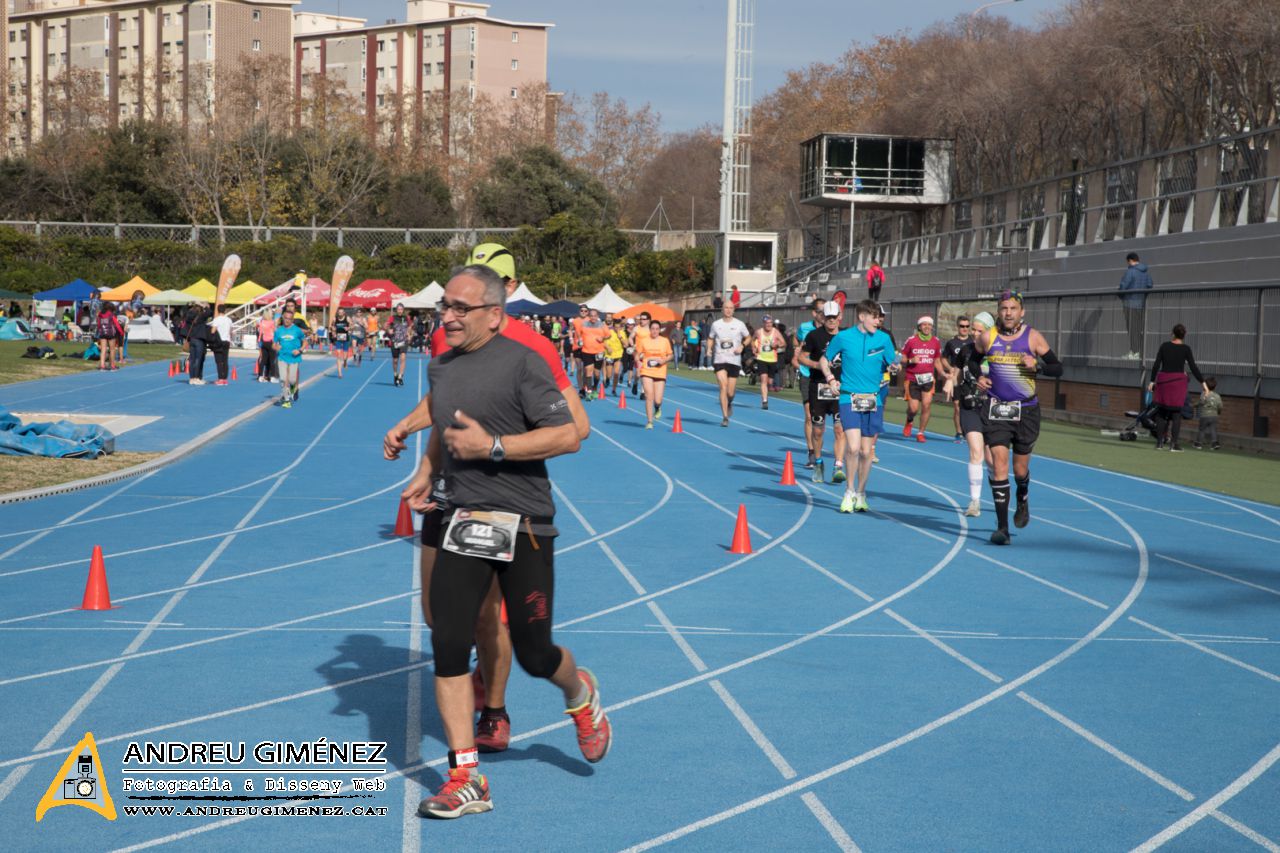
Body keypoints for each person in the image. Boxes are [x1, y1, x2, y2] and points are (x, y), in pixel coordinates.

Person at [405, 266, 609, 820]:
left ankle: (579, 692)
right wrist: (429, 469)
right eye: (444, 306)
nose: (447, 316)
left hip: (524, 525)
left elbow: (569, 434)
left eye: (460, 308)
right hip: (464, 519)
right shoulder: (440, 368)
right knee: (448, 640)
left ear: (494, 316)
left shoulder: (523, 363)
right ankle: (466, 775)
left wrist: (493, 446)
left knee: (535, 653)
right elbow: (450, 437)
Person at [971, 290, 1064, 545]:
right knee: (999, 463)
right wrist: (978, 377)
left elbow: (1058, 368)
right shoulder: (987, 338)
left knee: (1019, 468)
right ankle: (1002, 528)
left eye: (1013, 308)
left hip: (1026, 411)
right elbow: (971, 360)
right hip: (997, 408)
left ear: (1021, 312)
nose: (1008, 313)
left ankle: (1023, 496)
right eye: (1003, 309)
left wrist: (1038, 366)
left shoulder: (1032, 337)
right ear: (998, 312)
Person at [818, 299, 900, 512]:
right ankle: (849, 491)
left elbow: (894, 362)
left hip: (873, 399)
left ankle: (862, 493)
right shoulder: (843, 337)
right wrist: (830, 378)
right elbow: (824, 360)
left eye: (880, 317)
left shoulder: (883, 339)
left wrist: (895, 366)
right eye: (874, 317)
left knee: (866, 452)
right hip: (849, 397)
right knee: (853, 448)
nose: (878, 321)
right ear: (862, 317)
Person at [942, 311, 995, 517]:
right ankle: (975, 502)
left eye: (979, 330)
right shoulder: (965, 350)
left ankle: (995, 482)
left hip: (992, 408)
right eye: (972, 329)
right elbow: (955, 371)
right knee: (975, 451)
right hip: (969, 405)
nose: (974, 333)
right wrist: (949, 380)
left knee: (991, 460)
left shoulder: (997, 354)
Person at [800, 301, 848, 484]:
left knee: (839, 428)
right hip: (818, 387)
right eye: (828, 318)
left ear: (840, 316)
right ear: (822, 317)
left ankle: (838, 465)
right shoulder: (814, 336)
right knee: (818, 431)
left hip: (840, 388)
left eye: (834, 317)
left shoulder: (846, 335)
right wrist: (817, 364)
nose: (831, 321)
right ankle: (819, 463)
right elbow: (800, 356)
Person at [1147, 323, 1204, 452]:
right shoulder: (1186, 349)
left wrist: (1151, 381)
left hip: (1164, 382)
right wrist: (1203, 383)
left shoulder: (1164, 346)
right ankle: (1174, 444)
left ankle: (1159, 443)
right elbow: (1193, 367)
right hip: (1178, 383)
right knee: (1176, 413)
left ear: (1172, 333)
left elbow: (1156, 364)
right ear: (1184, 335)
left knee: (1161, 412)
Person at [900, 316, 944, 443]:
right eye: (924, 325)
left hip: (928, 378)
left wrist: (942, 373)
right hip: (912, 378)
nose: (927, 327)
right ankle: (909, 420)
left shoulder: (936, 341)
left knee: (926, 405)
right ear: (919, 327)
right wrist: (910, 360)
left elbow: (937, 360)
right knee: (913, 409)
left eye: (929, 325)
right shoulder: (911, 340)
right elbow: (901, 357)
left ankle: (920, 432)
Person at [795, 298, 825, 469]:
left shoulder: (833, 330)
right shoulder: (805, 328)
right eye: (820, 311)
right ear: (814, 313)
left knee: (821, 420)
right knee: (809, 415)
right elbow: (797, 341)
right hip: (808, 374)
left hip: (826, 377)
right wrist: (798, 352)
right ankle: (811, 452)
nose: (823, 315)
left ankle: (824, 452)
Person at [709, 303, 750, 427]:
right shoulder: (716, 324)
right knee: (723, 386)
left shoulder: (739, 324)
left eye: (731, 308)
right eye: (726, 308)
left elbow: (748, 338)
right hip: (720, 359)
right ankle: (725, 417)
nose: (728, 310)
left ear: (734, 310)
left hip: (734, 360)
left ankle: (729, 402)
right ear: (722, 309)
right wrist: (708, 349)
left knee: (730, 393)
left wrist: (742, 346)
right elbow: (711, 338)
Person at [637, 319, 674, 428]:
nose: (655, 331)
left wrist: (664, 361)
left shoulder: (665, 341)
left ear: (659, 330)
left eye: (657, 329)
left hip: (660, 372)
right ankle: (649, 421)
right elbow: (637, 354)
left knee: (658, 400)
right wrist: (638, 361)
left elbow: (671, 355)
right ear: (650, 330)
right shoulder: (644, 341)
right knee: (649, 396)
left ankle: (657, 407)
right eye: (653, 329)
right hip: (647, 371)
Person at [941, 316, 973, 441]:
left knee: (970, 406)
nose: (964, 329)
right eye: (962, 326)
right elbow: (943, 358)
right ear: (957, 327)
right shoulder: (952, 343)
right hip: (956, 378)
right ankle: (959, 432)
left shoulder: (974, 342)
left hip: (970, 378)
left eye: (967, 326)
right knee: (957, 406)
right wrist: (949, 368)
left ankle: (970, 431)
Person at [1119, 251, 1153, 360]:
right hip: (1141, 304)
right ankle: (1138, 351)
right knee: (1138, 328)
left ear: (1130, 261)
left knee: (1132, 329)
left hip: (1130, 303)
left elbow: (1123, 287)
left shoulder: (1130, 272)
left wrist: (1120, 295)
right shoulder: (1145, 273)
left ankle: (1134, 352)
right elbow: (1150, 285)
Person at [750, 315, 786, 410]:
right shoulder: (758, 332)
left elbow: (784, 343)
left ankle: (768, 386)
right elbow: (752, 340)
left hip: (772, 359)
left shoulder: (775, 332)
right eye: (767, 323)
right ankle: (764, 401)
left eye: (770, 323)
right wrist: (754, 348)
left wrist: (777, 344)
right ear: (763, 324)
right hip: (761, 358)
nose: (769, 325)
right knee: (763, 380)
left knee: (770, 382)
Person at [273, 309, 307, 407]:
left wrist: (300, 350)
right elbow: (273, 344)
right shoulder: (279, 331)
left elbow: (305, 342)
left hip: (294, 358)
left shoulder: (297, 330)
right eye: (285, 318)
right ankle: (286, 400)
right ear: (282, 318)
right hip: (282, 357)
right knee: (283, 379)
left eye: (289, 319)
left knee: (292, 380)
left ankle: (293, 387)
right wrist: (276, 347)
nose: (287, 320)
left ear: (292, 320)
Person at [1193, 377, 1222, 451]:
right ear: (1215, 386)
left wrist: (1194, 405)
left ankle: (1198, 443)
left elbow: (1201, 402)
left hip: (1204, 415)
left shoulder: (1204, 394)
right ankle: (1214, 443)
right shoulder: (1217, 396)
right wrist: (1218, 412)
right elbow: (1220, 405)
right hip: (1214, 415)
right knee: (1213, 429)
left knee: (1202, 429)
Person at [388, 303, 413, 386]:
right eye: (398, 309)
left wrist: (409, 334)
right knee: (395, 360)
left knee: (403, 358)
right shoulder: (392, 318)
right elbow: (387, 326)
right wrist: (389, 330)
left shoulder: (406, 318)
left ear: (403, 310)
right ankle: (395, 375)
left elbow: (410, 327)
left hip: (403, 341)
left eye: (401, 309)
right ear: (396, 310)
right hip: (395, 341)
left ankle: (400, 376)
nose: (400, 311)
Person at [94, 302, 124, 371]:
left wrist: (98, 332)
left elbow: (98, 325)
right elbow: (116, 324)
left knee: (103, 349)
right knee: (112, 349)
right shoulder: (111, 314)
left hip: (102, 333)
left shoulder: (100, 314)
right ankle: (112, 366)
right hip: (111, 333)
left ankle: (102, 366)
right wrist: (121, 332)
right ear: (110, 308)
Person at [208, 304, 233, 386]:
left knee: (219, 361)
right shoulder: (229, 320)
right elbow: (230, 331)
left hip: (219, 341)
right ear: (225, 310)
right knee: (225, 360)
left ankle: (220, 378)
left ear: (218, 310)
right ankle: (225, 378)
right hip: (226, 341)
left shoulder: (217, 319)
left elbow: (212, 331)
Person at [187, 303, 211, 385]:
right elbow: (209, 312)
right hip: (199, 339)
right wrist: (205, 306)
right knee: (198, 359)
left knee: (192, 359)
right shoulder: (201, 316)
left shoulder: (189, 317)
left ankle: (192, 378)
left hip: (192, 338)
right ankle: (197, 378)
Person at [602, 318, 625, 394]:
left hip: (618, 355)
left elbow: (626, 344)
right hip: (609, 355)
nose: (617, 329)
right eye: (616, 327)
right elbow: (604, 342)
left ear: (621, 327)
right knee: (609, 374)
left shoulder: (622, 333)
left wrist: (620, 337)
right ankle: (608, 379)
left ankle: (614, 389)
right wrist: (608, 348)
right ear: (613, 326)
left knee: (616, 373)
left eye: (619, 327)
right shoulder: (609, 332)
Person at [257, 311, 277, 383]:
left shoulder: (261, 322)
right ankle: (272, 377)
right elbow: (275, 331)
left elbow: (260, 333)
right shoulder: (272, 322)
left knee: (263, 360)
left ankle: (260, 376)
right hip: (271, 341)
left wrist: (259, 341)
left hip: (263, 341)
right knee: (272, 360)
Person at [330, 308, 351, 378]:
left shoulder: (347, 318)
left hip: (346, 337)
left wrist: (349, 328)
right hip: (338, 337)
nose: (340, 313)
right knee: (338, 355)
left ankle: (345, 361)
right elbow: (332, 327)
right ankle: (340, 373)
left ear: (344, 313)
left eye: (342, 312)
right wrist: (333, 332)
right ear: (338, 313)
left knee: (345, 355)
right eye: (339, 312)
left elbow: (352, 326)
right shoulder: (335, 319)